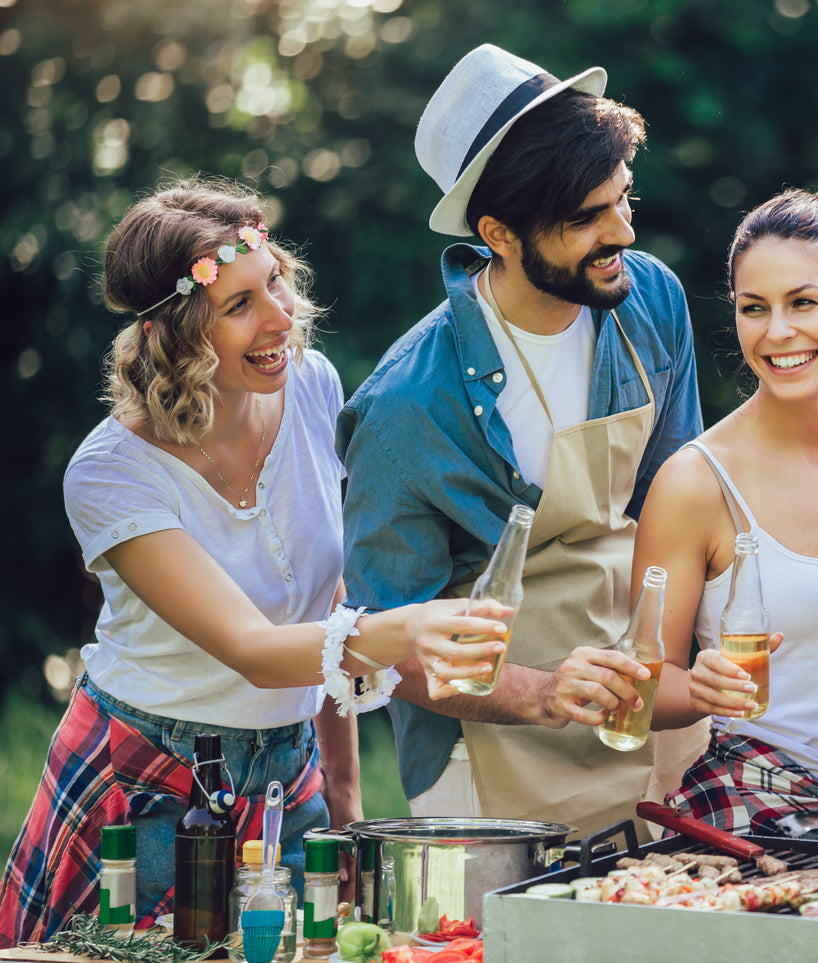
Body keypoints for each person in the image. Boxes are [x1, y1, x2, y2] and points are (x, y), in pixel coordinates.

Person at [0, 180, 502, 947]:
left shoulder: (311, 386)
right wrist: (412, 627)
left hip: (284, 770)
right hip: (143, 779)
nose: (280, 318)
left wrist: (342, 790)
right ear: (174, 336)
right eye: (238, 305)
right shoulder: (109, 474)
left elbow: (323, 607)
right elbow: (255, 650)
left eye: (274, 282)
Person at [336, 43, 705, 835]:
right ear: (499, 233)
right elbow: (383, 646)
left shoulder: (652, 303)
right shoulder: (407, 404)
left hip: (651, 712)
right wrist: (541, 693)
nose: (622, 232)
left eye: (623, 199)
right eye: (586, 218)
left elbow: (682, 505)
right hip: (490, 751)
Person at [637, 186, 818, 845]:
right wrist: (698, 689)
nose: (776, 332)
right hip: (745, 805)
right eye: (753, 308)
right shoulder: (695, 481)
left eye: (802, 302)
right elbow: (642, 691)